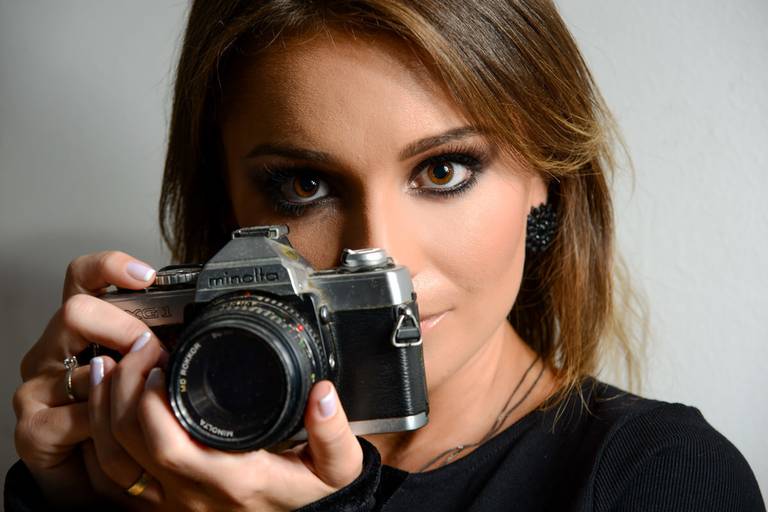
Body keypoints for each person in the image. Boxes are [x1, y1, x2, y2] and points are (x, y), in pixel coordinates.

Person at [6, 1, 765, 511]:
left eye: (444, 170)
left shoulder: (659, 479)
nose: (383, 255)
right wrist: (65, 498)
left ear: (546, 173)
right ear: (227, 198)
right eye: (304, 185)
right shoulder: (157, 458)